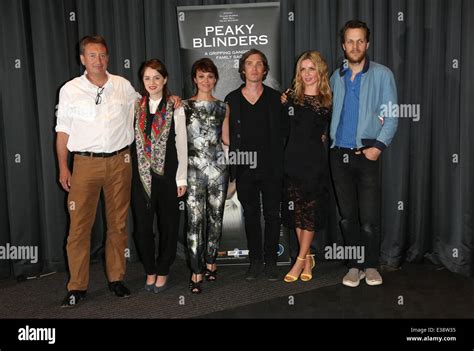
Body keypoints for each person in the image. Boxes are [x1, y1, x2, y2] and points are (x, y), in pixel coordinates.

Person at [56, 35, 139, 307]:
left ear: (108, 57)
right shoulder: (69, 90)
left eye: (102, 55)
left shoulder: (123, 86)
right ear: (82, 59)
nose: (98, 61)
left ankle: (116, 279)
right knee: (79, 228)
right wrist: (63, 167)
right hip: (84, 164)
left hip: (120, 163)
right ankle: (77, 286)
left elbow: (149, 105)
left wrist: (170, 99)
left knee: (118, 224)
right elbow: (62, 132)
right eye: (92, 55)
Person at [329, 20, 398, 287]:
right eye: (350, 41)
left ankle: (371, 265)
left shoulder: (383, 74)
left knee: (369, 219)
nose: (355, 46)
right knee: (347, 217)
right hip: (339, 156)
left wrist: (377, 148)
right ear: (343, 45)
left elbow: (391, 116)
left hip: (366, 155)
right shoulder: (336, 77)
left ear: (367, 44)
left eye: (360, 41)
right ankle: (354, 266)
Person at [225, 49, 287, 282]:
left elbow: (284, 131)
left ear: (264, 70)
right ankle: (255, 262)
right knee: (250, 215)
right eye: (249, 64)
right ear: (243, 69)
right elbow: (226, 134)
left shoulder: (275, 98)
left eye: (258, 64)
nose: (253, 68)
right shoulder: (231, 98)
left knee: (272, 215)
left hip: (271, 167)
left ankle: (271, 262)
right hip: (243, 167)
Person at [131, 59, 187, 293]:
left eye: (156, 77)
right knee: (142, 228)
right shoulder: (135, 105)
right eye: (147, 78)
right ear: (142, 82)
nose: (152, 82)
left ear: (164, 79)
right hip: (141, 177)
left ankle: (164, 269)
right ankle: (150, 269)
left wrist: (181, 178)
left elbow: (182, 143)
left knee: (169, 226)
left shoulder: (176, 106)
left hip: (169, 176)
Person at [281, 51, 332, 283]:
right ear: (298, 73)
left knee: (309, 212)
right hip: (291, 160)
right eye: (303, 69)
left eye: (312, 68)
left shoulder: (327, 99)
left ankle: (299, 260)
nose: (308, 73)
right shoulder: (291, 97)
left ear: (319, 71)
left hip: (314, 162)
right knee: (297, 212)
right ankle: (308, 257)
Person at [183, 58, 229, 294]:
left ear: (215, 79)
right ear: (194, 79)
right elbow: (179, 143)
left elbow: (227, 141)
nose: (206, 81)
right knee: (193, 221)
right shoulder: (182, 106)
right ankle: (196, 270)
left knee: (216, 219)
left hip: (219, 170)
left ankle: (211, 262)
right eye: (201, 76)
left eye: (210, 76)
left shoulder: (223, 107)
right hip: (192, 171)